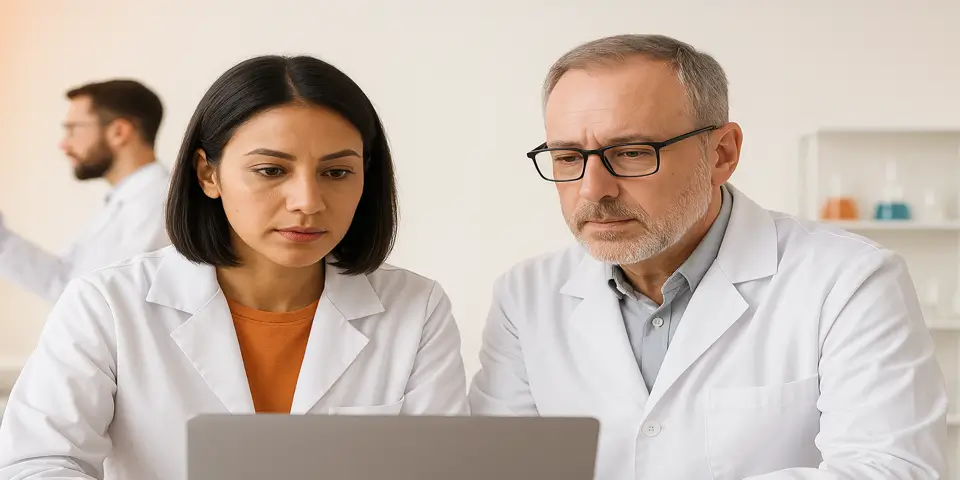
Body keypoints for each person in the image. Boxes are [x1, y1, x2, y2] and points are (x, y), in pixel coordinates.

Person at [469, 34, 949, 479]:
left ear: (722, 153)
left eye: (633, 152)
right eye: (568, 157)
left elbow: (890, 469)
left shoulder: (849, 280)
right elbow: (499, 468)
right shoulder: (525, 296)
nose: (594, 190)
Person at [0, 55, 468, 479]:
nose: (307, 202)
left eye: (336, 172)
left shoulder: (416, 309)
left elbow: (441, 470)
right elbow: (38, 462)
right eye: (271, 170)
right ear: (208, 175)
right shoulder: (106, 304)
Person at [0, 79, 171, 303]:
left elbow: (102, 301)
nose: (63, 144)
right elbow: (64, 282)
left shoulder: (157, 204)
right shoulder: (124, 200)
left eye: (72, 130)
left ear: (119, 132)